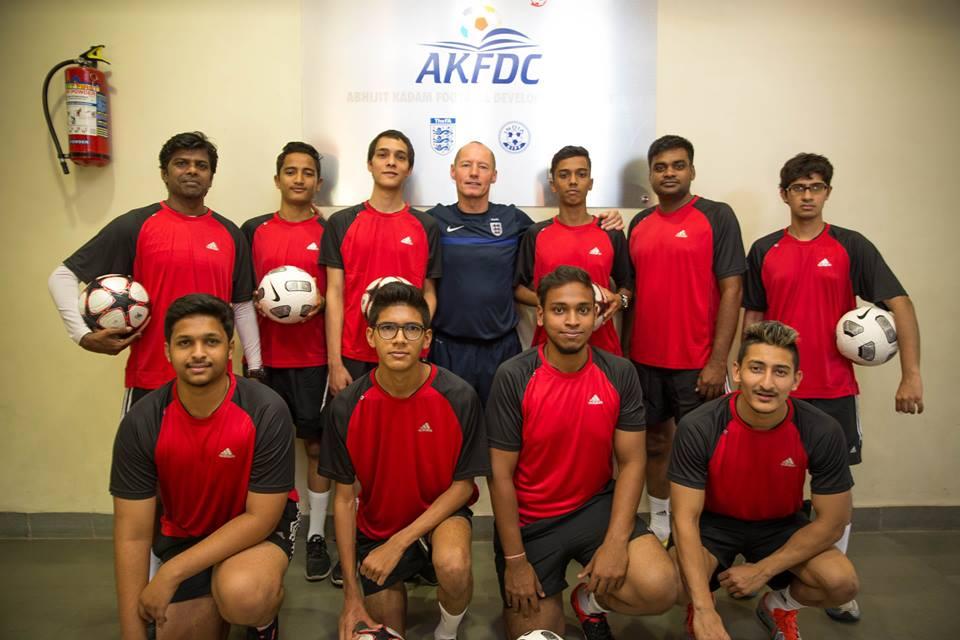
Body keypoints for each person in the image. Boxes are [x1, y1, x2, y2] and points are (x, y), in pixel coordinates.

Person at [742, 152, 923, 622]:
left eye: (816, 187)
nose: (807, 195)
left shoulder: (850, 246)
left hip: (834, 391)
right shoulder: (764, 249)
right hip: (774, 391)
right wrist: (740, 374)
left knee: (834, 488)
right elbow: (754, 315)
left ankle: (832, 582)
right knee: (767, 481)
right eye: (798, 188)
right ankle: (768, 572)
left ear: (827, 192)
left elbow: (900, 304)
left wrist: (911, 374)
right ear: (784, 194)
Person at [487, 266, 678, 640]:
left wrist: (616, 543)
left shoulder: (619, 372)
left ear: (596, 315)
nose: (572, 321)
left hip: (594, 507)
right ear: (540, 315)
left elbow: (632, 462)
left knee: (660, 587)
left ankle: (589, 603)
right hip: (532, 522)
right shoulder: (514, 376)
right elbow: (499, 476)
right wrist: (516, 562)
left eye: (583, 310)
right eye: (559, 310)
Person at [110, 294, 298, 640]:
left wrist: (170, 573)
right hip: (184, 537)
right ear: (168, 351)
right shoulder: (142, 421)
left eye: (211, 341)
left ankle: (262, 622)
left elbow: (261, 518)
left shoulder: (266, 409)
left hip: (255, 534)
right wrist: (132, 635)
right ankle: (209, 592)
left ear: (230, 349)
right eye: (185, 343)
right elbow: (132, 534)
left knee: (244, 594)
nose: (198, 353)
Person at [669, 320, 859, 640]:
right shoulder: (699, 426)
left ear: (796, 380)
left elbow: (833, 522)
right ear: (737, 371)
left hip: (780, 526)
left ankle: (779, 605)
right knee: (668, 584)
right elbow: (684, 519)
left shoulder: (821, 429)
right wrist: (703, 610)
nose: (767, 383)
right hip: (713, 526)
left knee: (841, 583)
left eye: (780, 372)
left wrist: (762, 571)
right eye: (756, 368)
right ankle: (702, 600)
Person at [319, 282, 488, 640]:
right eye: (388, 328)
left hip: (441, 516)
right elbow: (345, 499)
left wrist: (400, 543)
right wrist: (351, 596)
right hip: (378, 528)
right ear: (370, 336)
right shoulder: (346, 406)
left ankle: (446, 633)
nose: (399, 339)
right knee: (386, 631)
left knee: (453, 565)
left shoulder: (459, 396)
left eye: (411, 329)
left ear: (426, 339)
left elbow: (463, 487)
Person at [48, 131, 261, 412]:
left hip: (215, 382)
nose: (192, 171)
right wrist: (82, 335)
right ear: (164, 173)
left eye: (201, 165)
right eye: (181, 163)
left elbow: (242, 305)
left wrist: (255, 369)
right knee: (142, 445)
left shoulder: (231, 233)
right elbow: (62, 277)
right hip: (151, 381)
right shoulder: (135, 225)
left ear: (211, 177)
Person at [321, 129, 442, 586]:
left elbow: (429, 294)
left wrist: (418, 342)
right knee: (356, 463)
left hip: (409, 360)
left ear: (409, 168)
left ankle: (414, 549)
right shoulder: (342, 222)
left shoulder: (426, 227)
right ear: (370, 163)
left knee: (411, 457)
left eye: (400, 157)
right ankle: (351, 551)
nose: (391, 162)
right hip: (356, 358)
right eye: (383, 155)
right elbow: (335, 294)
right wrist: (335, 362)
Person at [428, 141, 623, 404]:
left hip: (502, 347)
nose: (474, 173)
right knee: (451, 422)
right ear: (453, 171)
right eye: (466, 165)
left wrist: (608, 218)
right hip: (447, 345)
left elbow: (561, 234)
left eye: (482, 167)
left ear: (494, 175)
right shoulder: (432, 221)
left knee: (505, 420)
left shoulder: (514, 220)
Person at [626, 135, 745, 543]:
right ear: (651, 175)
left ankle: (700, 530)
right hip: (645, 361)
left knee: (705, 450)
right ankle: (661, 522)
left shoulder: (717, 216)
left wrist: (718, 361)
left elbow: (732, 290)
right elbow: (632, 295)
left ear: (692, 170)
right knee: (655, 444)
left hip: (698, 363)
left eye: (678, 165)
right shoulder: (639, 224)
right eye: (660, 167)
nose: (669, 173)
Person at [241, 142, 332, 583]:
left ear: (318, 182)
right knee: (264, 449)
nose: (299, 179)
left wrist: (322, 301)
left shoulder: (330, 230)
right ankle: (268, 528)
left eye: (308, 172)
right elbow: (239, 293)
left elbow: (339, 289)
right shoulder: (253, 230)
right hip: (264, 360)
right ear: (277, 179)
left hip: (313, 358)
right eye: (291, 171)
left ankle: (315, 536)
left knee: (316, 446)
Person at [514, 145, 632, 357]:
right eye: (564, 175)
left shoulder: (610, 232)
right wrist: (549, 303)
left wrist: (619, 300)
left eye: (581, 174)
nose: (573, 181)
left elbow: (628, 285)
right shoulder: (536, 233)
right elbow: (517, 288)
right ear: (553, 184)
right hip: (548, 349)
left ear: (590, 183)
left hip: (602, 349)